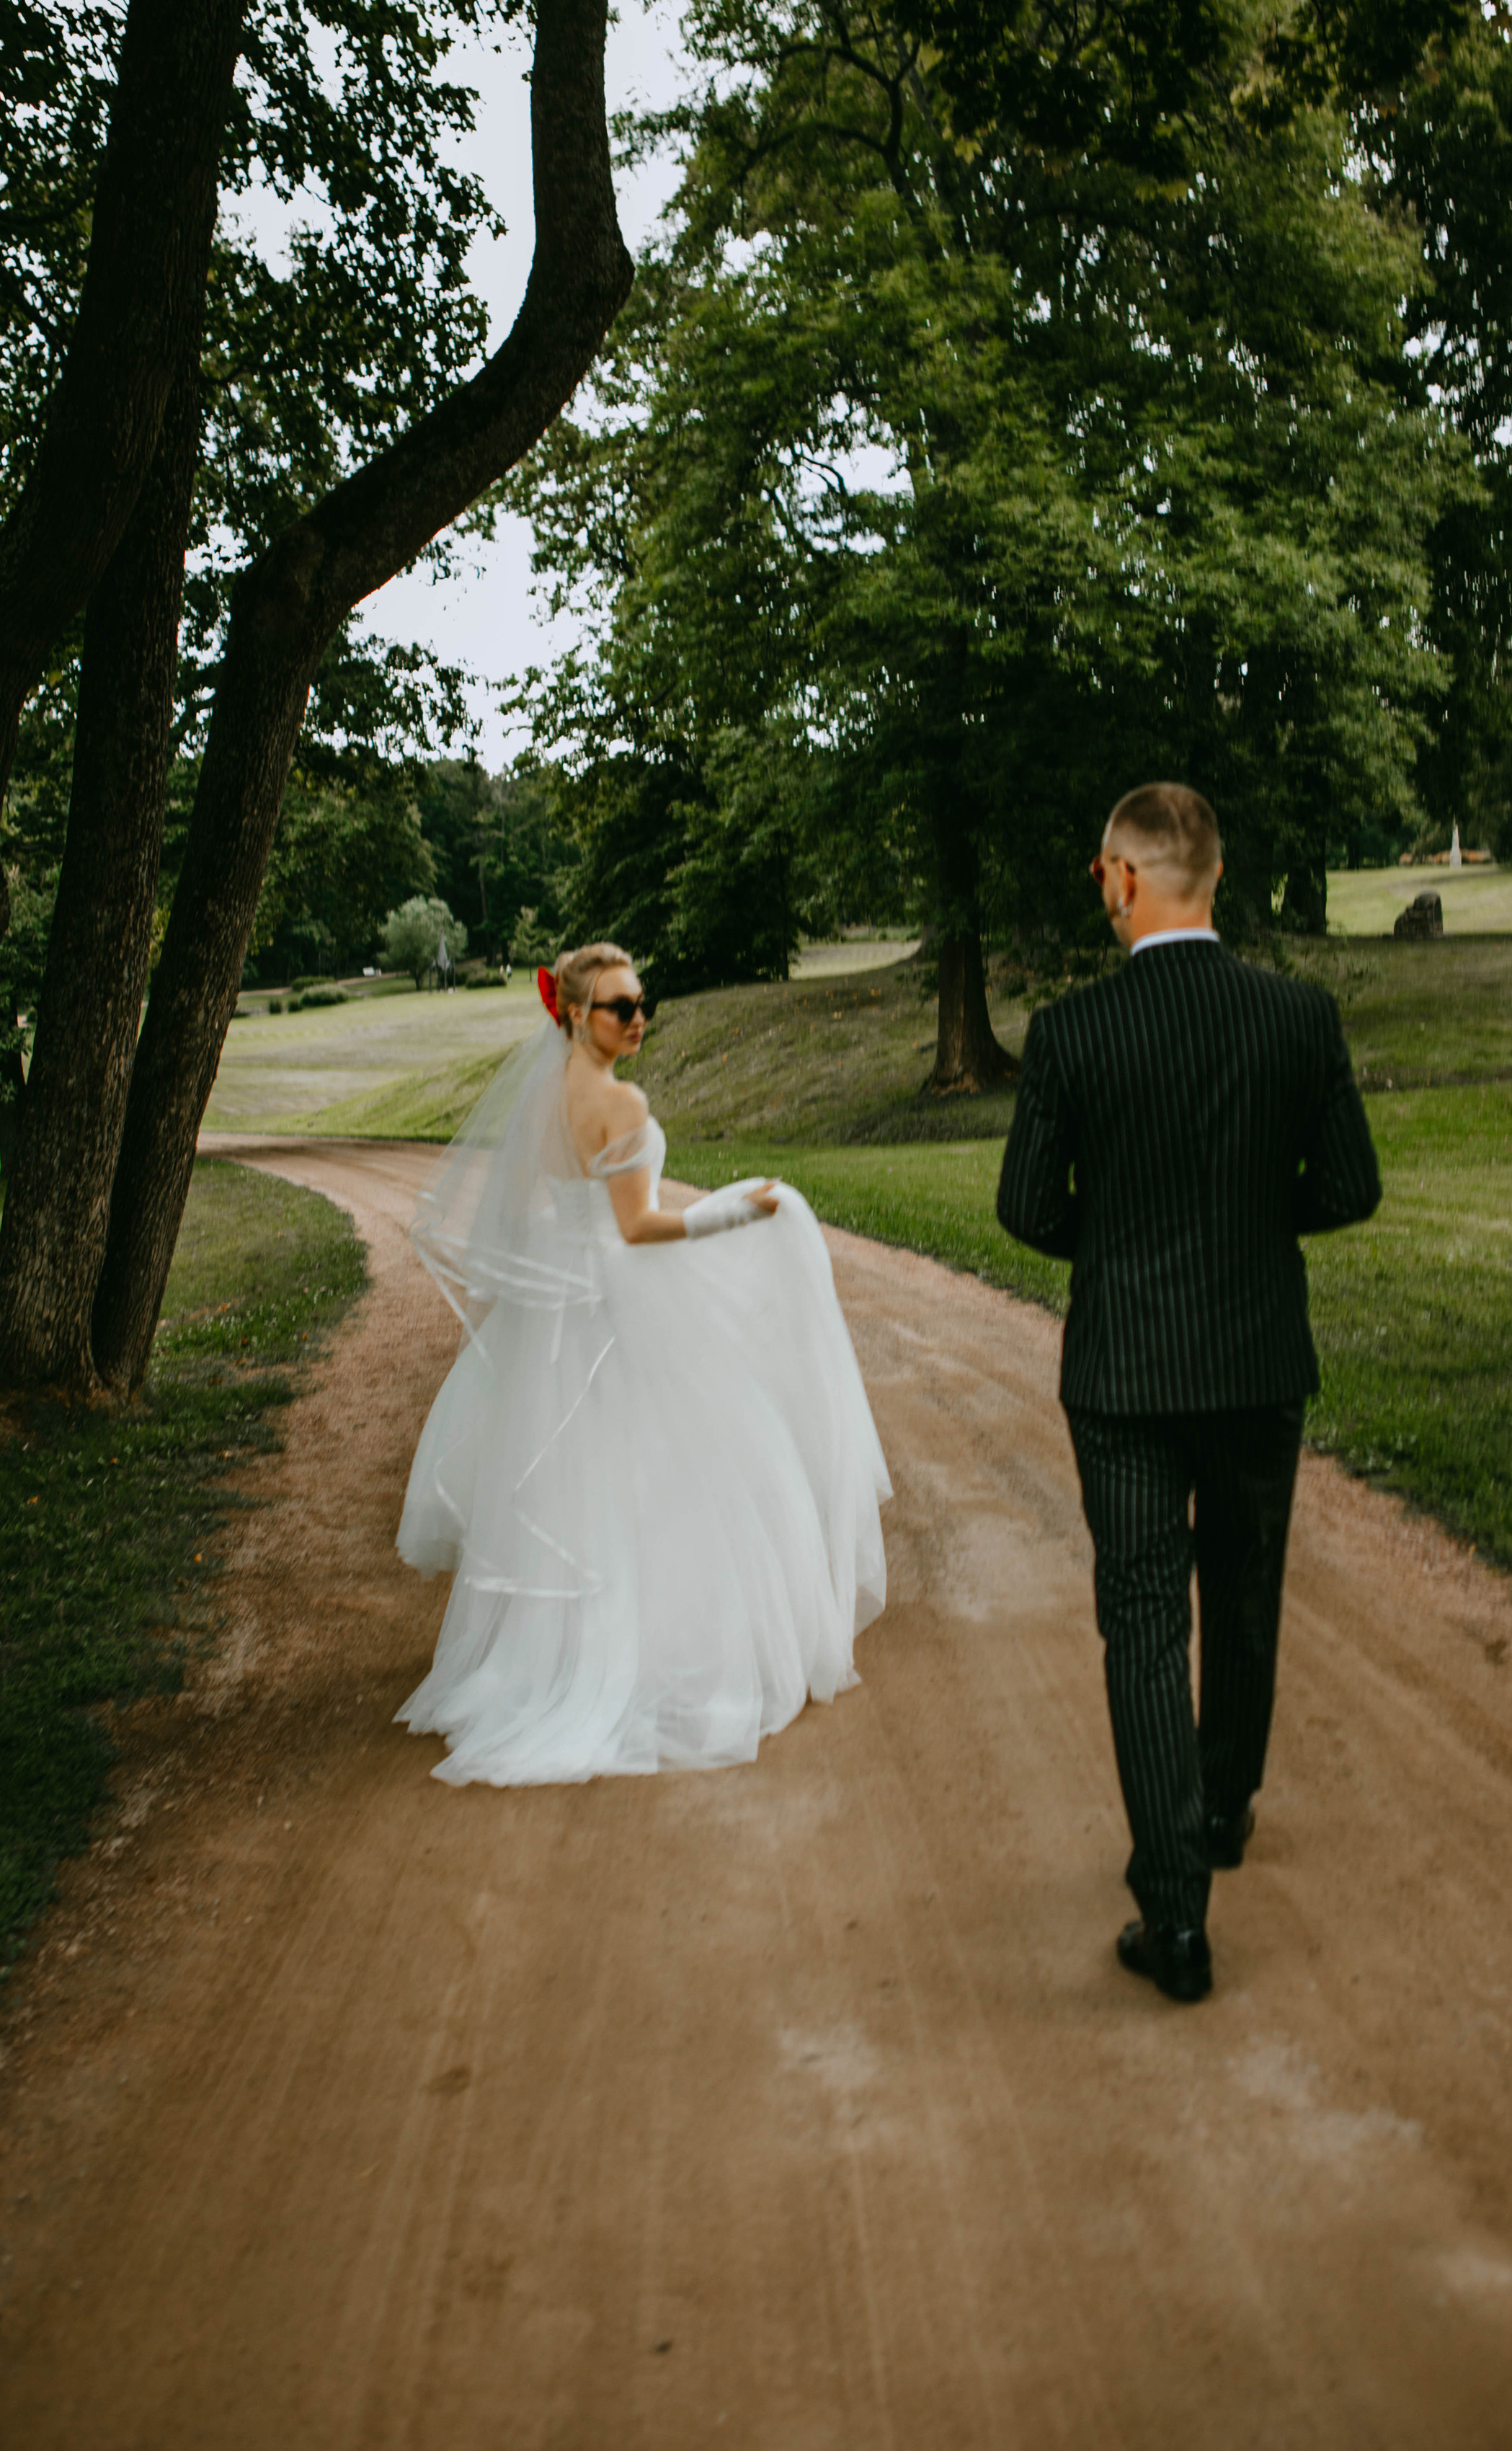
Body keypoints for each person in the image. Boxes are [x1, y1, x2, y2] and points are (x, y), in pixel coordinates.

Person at [997, 785, 1381, 2004]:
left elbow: (1025, 1208)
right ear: (1210, 878)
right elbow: (1352, 1184)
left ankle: (1175, 1917)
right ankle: (1222, 1811)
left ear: (1123, 879)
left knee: (1146, 1621)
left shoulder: (1072, 1033)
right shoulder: (1296, 1016)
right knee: (1246, 1588)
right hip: (1259, 1359)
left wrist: (1114, 1248)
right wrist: (1257, 1232)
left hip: (1124, 1374)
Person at [394, 939, 890, 1784]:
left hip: (556, 1306)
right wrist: (741, 1213)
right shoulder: (618, 1104)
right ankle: (648, 1653)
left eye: (640, 1003)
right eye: (621, 1008)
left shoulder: (544, 1096)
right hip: (618, 1295)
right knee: (672, 1464)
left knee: (577, 1478)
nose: (638, 1019)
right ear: (577, 1015)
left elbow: (520, 1213)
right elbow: (639, 1228)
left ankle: (547, 1655)